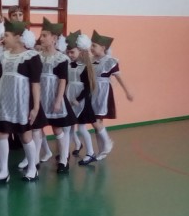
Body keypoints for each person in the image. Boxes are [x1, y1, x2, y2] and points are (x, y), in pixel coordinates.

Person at [0, 20, 42, 182]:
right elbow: (1, 79)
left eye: (7, 35)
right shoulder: (4, 55)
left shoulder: (32, 57)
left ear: (18, 37)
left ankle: (32, 168)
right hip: (4, 100)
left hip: (21, 102)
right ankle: (3, 171)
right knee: (1, 133)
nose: (3, 39)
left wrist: (35, 107)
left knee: (25, 136)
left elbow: (35, 84)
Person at [79, 31, 134, 164]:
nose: (92, 48)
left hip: (103, 93)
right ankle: (102, 150)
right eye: (91, 45)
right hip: (92, 92)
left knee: (96, 120)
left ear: (103, 47)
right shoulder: (90, 60)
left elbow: (119, 78)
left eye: (94, 45)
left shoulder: (110, 61)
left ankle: (107, 142)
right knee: (97, 123)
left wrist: (127, 92)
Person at [31, 18, 76, 174]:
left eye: (45, 35)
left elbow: (63, 81)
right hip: (40, 97)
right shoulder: (37, 56)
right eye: (41, 35)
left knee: (57, 129)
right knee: (37, 129)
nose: (41, 38)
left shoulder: (61, 58)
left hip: (54, 97)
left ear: (54, 38)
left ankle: (63, 159)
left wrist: (58, 101)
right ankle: (34, 159)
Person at [63, 31, 94, 161]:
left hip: (81, 101)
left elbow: (88, 87)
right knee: (68, 127)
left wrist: (78, 99)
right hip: (69, 98)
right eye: (68, 52)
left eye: (72, 52)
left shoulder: (85, 67)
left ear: (80, 51)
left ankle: (90, 153)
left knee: (81, 128)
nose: (70, 55)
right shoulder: (69, 65)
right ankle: (65, 153)